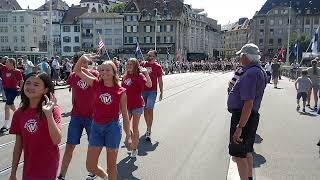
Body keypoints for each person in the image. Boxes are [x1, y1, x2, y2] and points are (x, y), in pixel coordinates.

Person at [74, 54, 132, 180]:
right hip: (96, 127)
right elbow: (77, 70)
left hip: (113, 127)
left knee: (111, 166)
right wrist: (83, 58)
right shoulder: (95, 84)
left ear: (113, 72)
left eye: (107, 69)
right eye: (101, 69)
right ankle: (105, 177)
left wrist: (128, 135)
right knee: (90, 165)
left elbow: (125, 114)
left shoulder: (121, 91)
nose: (103, 72)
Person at [9, 72, 62, 180]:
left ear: (45, 90)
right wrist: (13, 173)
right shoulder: (19, 113)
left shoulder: (53, 110)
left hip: (48, 166)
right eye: (28, 83)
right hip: (29, 166)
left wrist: (48, 115)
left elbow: (57, 140)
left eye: (36, 85)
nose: (30, 87)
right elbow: (18, 146)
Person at [227, 43, 267, 180]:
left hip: (243, 117)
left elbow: (248, 103)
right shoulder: (258, 70)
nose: (239, 57)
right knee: (247, 152)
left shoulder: (250, 73)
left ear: (246, 56)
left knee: (238, 155)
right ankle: (249, 177)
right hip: (249, 116)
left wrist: (240, 127)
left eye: (241, 55)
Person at [57, 54, 99, 180]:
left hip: (91, 116)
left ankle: (93, 170)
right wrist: (74, 107)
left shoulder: (95, 74)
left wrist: (85, 69)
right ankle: (62, 175)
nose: (85, 65)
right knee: (70, 145)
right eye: (82, 62)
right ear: (77, 63)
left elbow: (95, 85)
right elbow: (74, 92)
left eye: (87, 63)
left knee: (93, 145)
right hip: (77, 116)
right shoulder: (73, 76)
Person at [122, 58, 152, 158]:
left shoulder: (139, 76)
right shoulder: (125, 76)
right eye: (128, 64)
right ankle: (131, 139)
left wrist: (146, 74)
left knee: (135, 127)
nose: (129, 65)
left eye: (131, 64)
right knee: (125, 126)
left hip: (137, 105)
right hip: (127, 105)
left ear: (135, 66)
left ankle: (134, 148)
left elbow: (149, 84)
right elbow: (122, 91)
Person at [142, 50, 163, 142]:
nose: (149, 56)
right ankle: (148, 126)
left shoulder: (158, 67)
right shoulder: (143, 64)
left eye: (150, 55)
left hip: (152, 91)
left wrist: (161, 92)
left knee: (149, 109)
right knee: (145, 110)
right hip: (143, 91)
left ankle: (149, 130)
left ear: (155, 57)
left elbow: (160, 80)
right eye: (148, 55)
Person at [0, 58, 24, 133]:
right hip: (6, 90)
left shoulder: (17, 71)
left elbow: (21, 80)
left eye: (7, 62)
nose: (5, 63)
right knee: (11, 105)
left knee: (7, 106)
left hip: (13, 90)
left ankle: (6, 125)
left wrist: (20, 88)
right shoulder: (4, 68)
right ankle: (20, 115)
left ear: (11, 63)